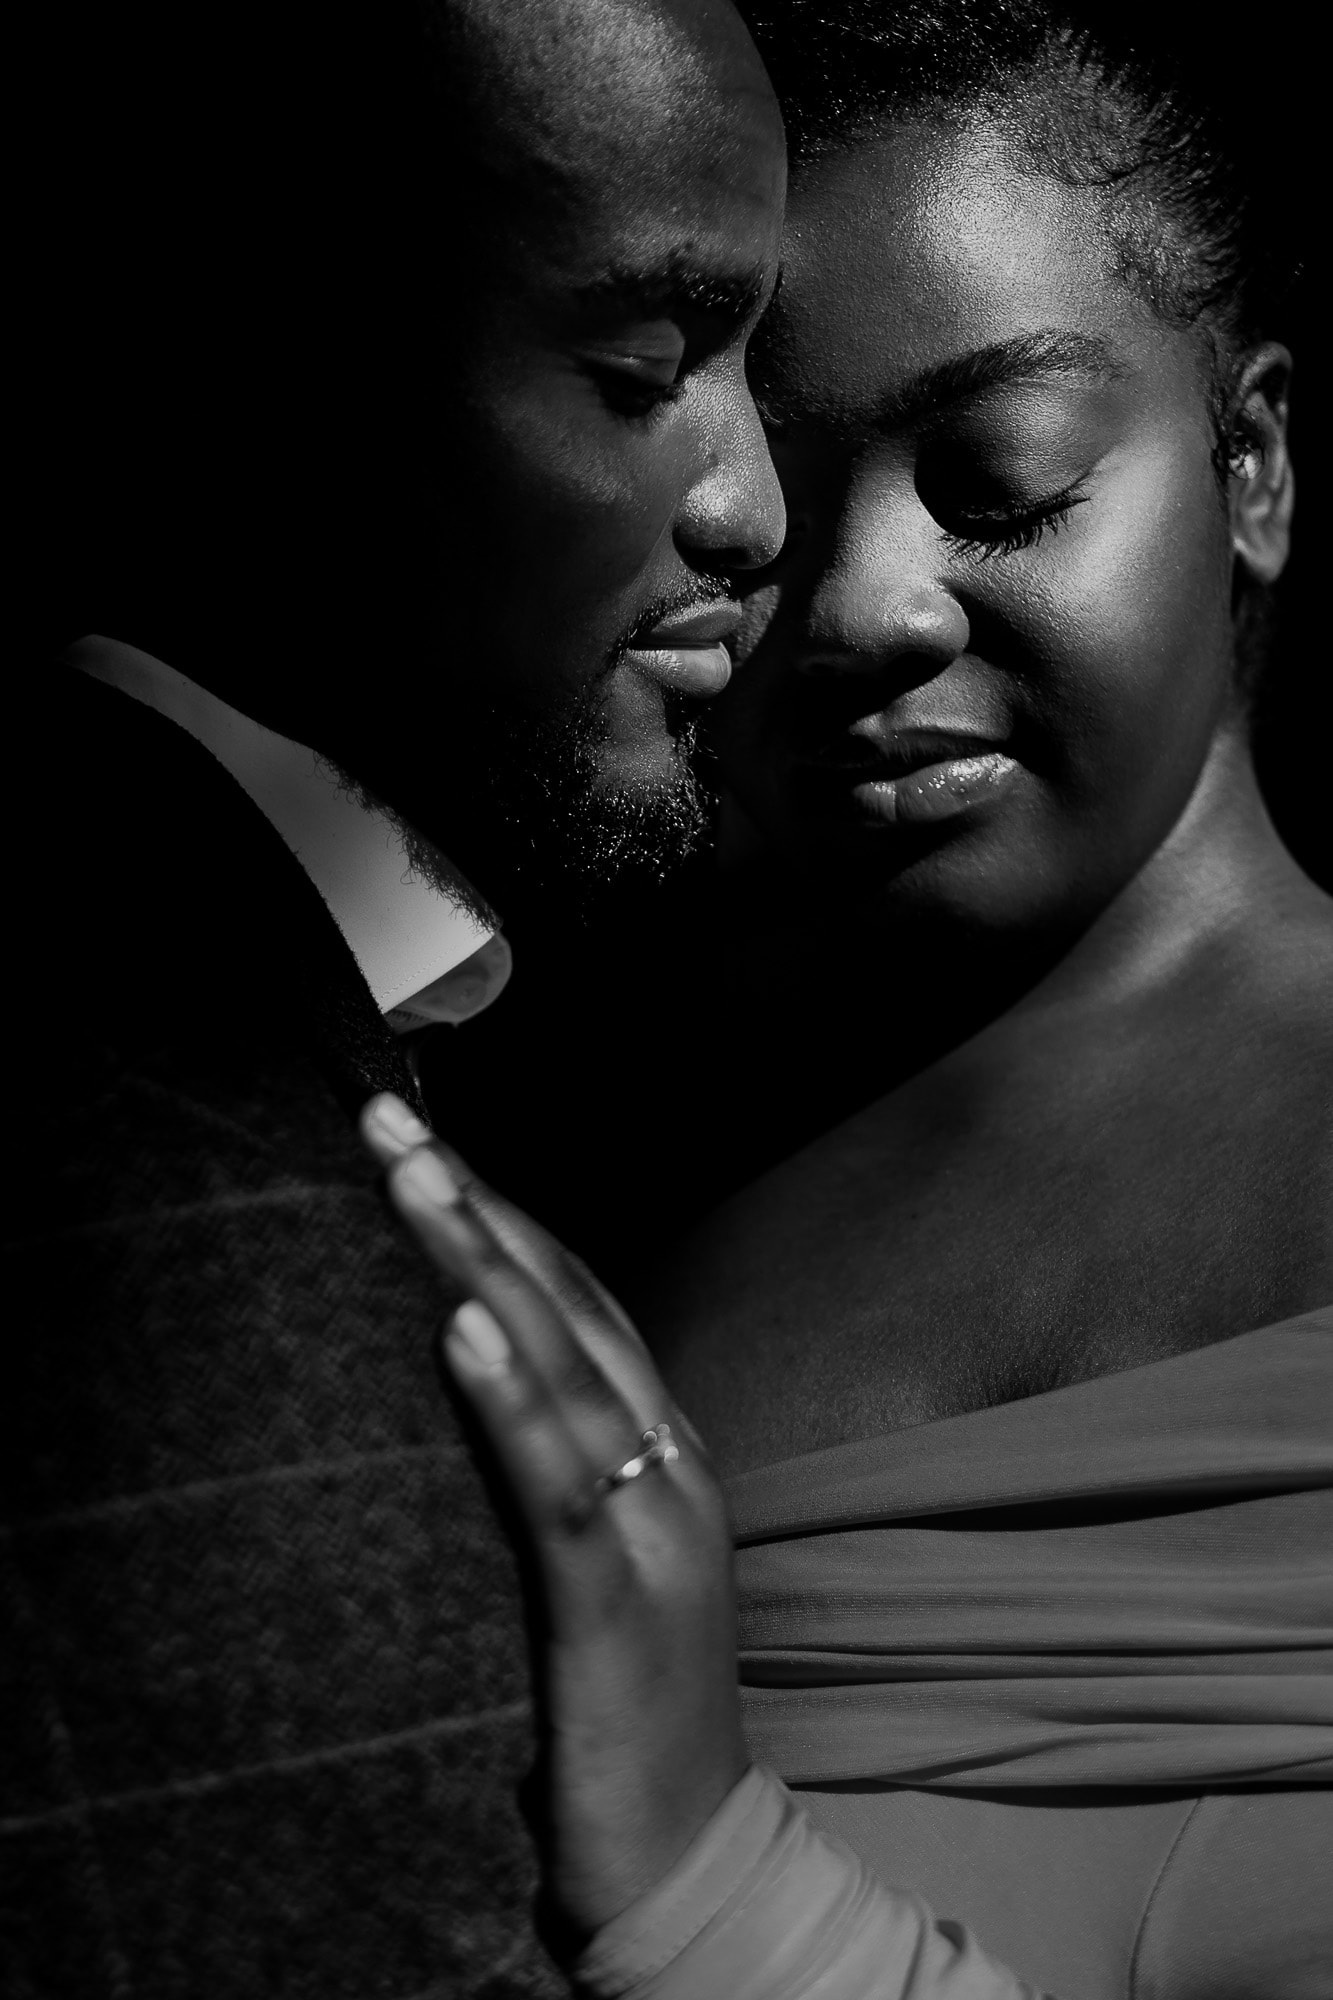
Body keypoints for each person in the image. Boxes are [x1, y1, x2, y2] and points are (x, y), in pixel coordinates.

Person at [362, 3, 1333, 1995]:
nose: (872, 611)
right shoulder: (541, 1169)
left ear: (1249, 466)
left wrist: (727, 1891)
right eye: (777, 513)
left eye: (1001, 482)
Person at [1, 3, 784, 1994]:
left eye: (763, 368)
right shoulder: (188, 1212)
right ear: (272, 359)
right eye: (642, 370)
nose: (756, 511)